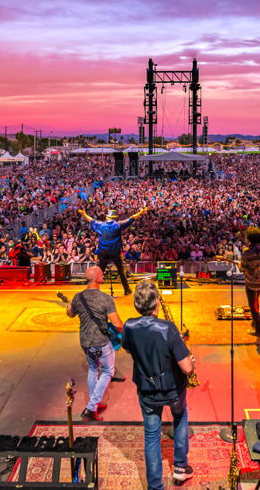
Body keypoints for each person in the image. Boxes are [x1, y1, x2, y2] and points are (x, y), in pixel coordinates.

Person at [123, 279, 195, 488]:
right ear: (155, 304)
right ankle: (180, 468)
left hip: (146, 391)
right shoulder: (168, 328)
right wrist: (177, 344)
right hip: (172, 390)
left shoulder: (129, 326)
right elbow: (187, 368)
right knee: (180, 418)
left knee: (152, 436)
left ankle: (155, 486)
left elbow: (130, 349)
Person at [66, 266, 124, 421]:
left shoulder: (78, 297)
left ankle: (94, 403)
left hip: (85, 341)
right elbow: (117, 323)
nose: (103, 275)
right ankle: (91, 408)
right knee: (108, 372)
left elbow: (70, 314)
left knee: (93, 370)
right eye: (102, 273)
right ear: (97, 278)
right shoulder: (105, 298)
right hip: (102, 342)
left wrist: (69, 303)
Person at [79, 206, 147, 296]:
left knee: (99, 271)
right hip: (115, 253)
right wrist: (140, 212)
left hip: (103, 253)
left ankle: (91, 289)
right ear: (114, 218)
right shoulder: (118, 225)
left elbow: (91, 220)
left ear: (107, 217)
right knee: (121, 271)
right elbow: (131, 219)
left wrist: (84, 214)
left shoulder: (101, 225)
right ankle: (127, 290)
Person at [239, 227, 260, 338]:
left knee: (253, 306)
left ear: (249, 240)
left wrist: (241, 266)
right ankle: (254, 322)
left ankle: (259, 330)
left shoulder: (247, 253)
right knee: (256, 302)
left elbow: (243, 267)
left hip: (251, 282)